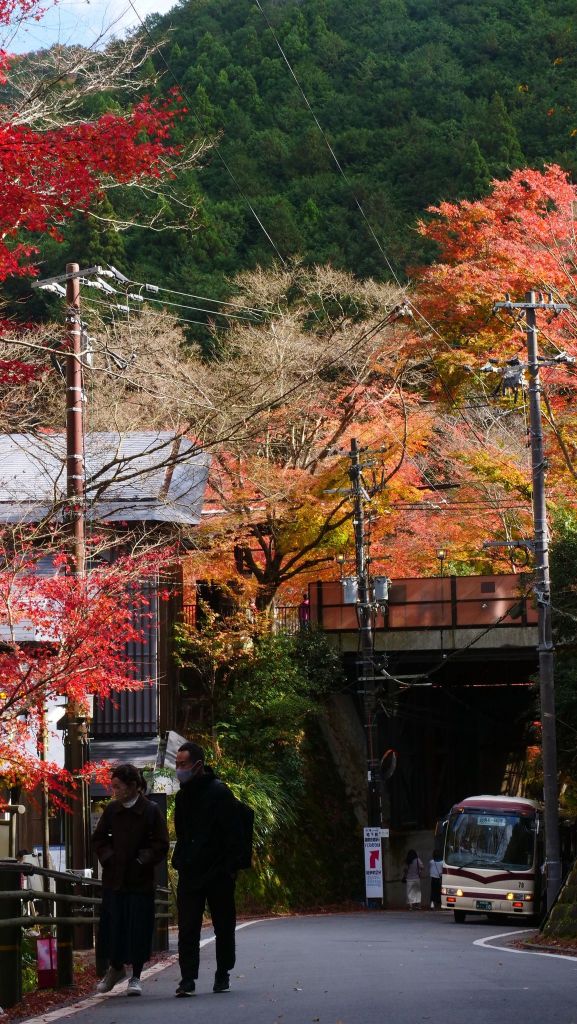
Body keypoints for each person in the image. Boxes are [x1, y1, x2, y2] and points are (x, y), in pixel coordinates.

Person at [172, 741, 244, 997]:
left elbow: (234, 833)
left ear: (198, 765)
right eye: (177, 764)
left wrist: (230, 868)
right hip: (191, 871)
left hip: (218, 871)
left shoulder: (220, 792)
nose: (179, 769)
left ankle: (223, 972)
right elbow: (182, 833)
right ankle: (187, 978)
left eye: (183, 764)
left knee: (223, 925)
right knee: (187, 927)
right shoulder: (182, 797)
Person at [92, 763, 169, 997]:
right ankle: (115, 968)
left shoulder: (151, 810)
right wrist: (109, 858)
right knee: (113, 925)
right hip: (114, 878)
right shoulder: (112, 810)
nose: (114, 791)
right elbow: (99, 838)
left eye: (118, 786)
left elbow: (161, 844)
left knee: (138, 926)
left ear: (133, 785)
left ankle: (136, 974)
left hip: (139, 879)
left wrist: (142, 860)